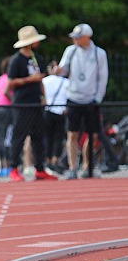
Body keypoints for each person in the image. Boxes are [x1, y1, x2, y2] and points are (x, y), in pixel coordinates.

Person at [53, 23, 109, 179]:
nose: (75, 40)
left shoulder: (99, 53)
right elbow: (63, 70)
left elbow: (102, 77)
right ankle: (72, 168)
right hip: (74, 97)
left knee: (92, 135)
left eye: (78, 37)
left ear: (87, 37)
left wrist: (98, 98)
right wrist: (58, 71)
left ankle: (86, 165)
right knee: (72, 134)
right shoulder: (70, 51)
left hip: (91, 99)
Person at [7, 26, 58, 182]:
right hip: (22, 103)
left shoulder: (38, 58)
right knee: (19, 136)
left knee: (38, 136)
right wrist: (29, 80)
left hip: (36, 102)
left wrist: (44, 96)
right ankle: (14, 168)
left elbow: (40, 79)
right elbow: (10, 82)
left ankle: (40, 169)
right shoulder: (16, 60)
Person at [42, 60, 69, 174]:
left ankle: (48, 160)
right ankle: (55, 159)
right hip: (60, 110)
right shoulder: (65, 82)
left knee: (48, 137)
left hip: (48, 110)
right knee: (58, 137)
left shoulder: (44, 81)